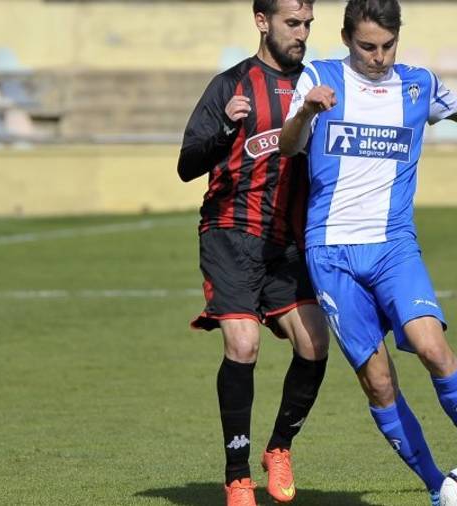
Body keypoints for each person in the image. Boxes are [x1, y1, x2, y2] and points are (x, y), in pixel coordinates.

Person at [279, 1, 457, 504]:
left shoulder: (417, 84)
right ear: (347, 38)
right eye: (368, 46)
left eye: (388, 45)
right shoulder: (318, 79)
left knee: (433, 348)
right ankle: (439, 488)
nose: (379, 56)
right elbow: (287, 147)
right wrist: (304, 110)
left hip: (393, 245)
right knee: (379, 382)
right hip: (332, 253)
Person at [176, 1, 329, 505]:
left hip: (287, 241)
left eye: (307, 24)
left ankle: (278, 449)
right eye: (292, 23)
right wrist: (223, 127)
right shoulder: (231, 85)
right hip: (230, 232)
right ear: (262, 22)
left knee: (314, 345)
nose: (301, 33)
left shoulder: (318, 86)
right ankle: (238, 476)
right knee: (242, 345)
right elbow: (186, 165)